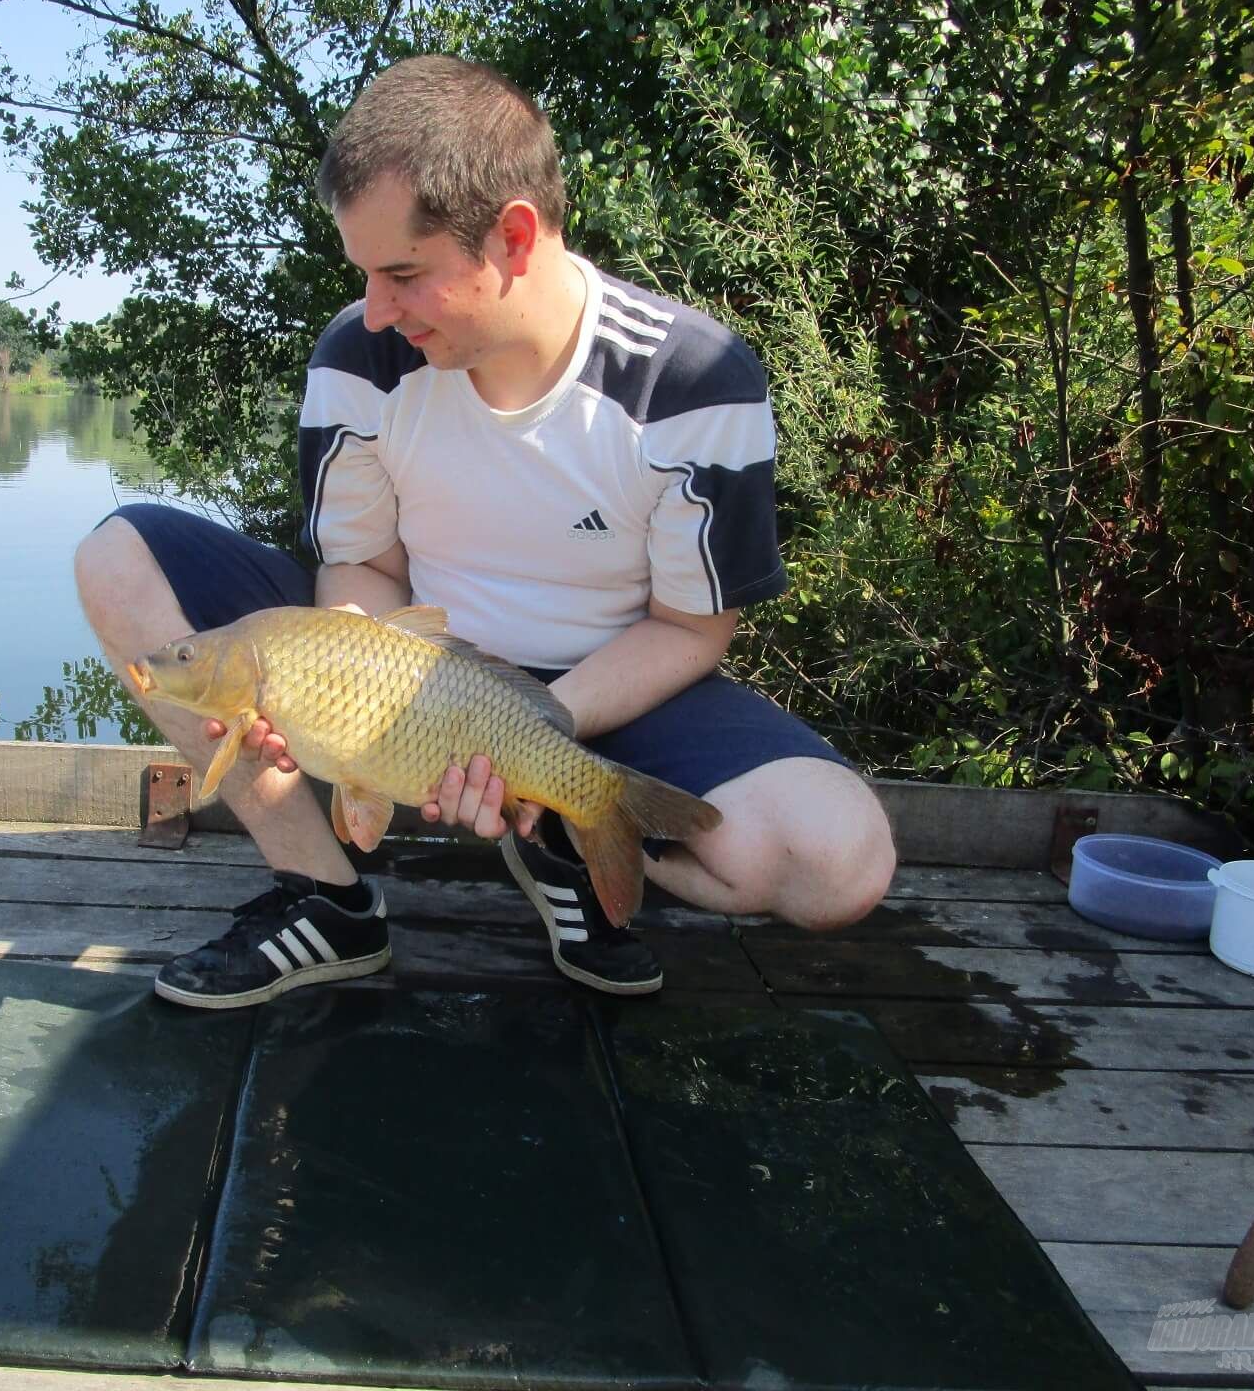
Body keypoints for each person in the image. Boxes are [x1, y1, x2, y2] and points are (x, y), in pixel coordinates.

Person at [76, 55, 896, 1010]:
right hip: (405, 671)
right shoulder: (362, 356)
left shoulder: (693, 380)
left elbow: (692, 629)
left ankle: (557, 835)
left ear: (511, 237)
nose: (375, 309)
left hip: (607, 687)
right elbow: (363, 564)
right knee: (116, 556)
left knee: (835, 862)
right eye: (365, 276)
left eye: (403, 274)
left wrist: (531, 745)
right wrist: (339, 707)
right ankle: (326, 899)